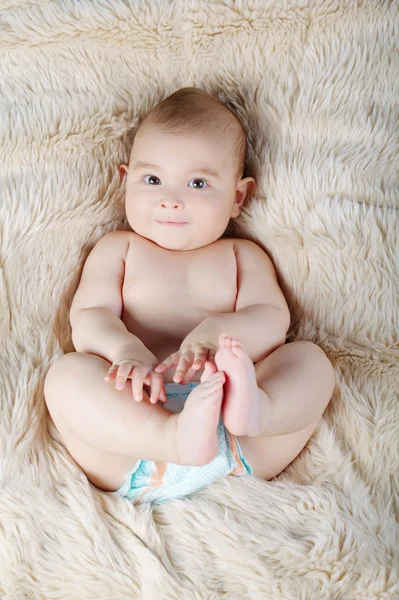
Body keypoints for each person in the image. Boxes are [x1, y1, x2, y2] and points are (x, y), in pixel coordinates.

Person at [44, 87, 335, 504]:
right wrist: (124, 348)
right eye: (153, 179)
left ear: (238, 197)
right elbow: (89, 316)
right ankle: (171, 436)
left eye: (198, 183)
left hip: (237, 437)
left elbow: (272, 319)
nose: (170, 200)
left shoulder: (242, 256)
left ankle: (262, 411)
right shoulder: (118, 249)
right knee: (67, 377)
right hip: (136, 441)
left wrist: (216, 332)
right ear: (125, 181)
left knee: (310, 361)